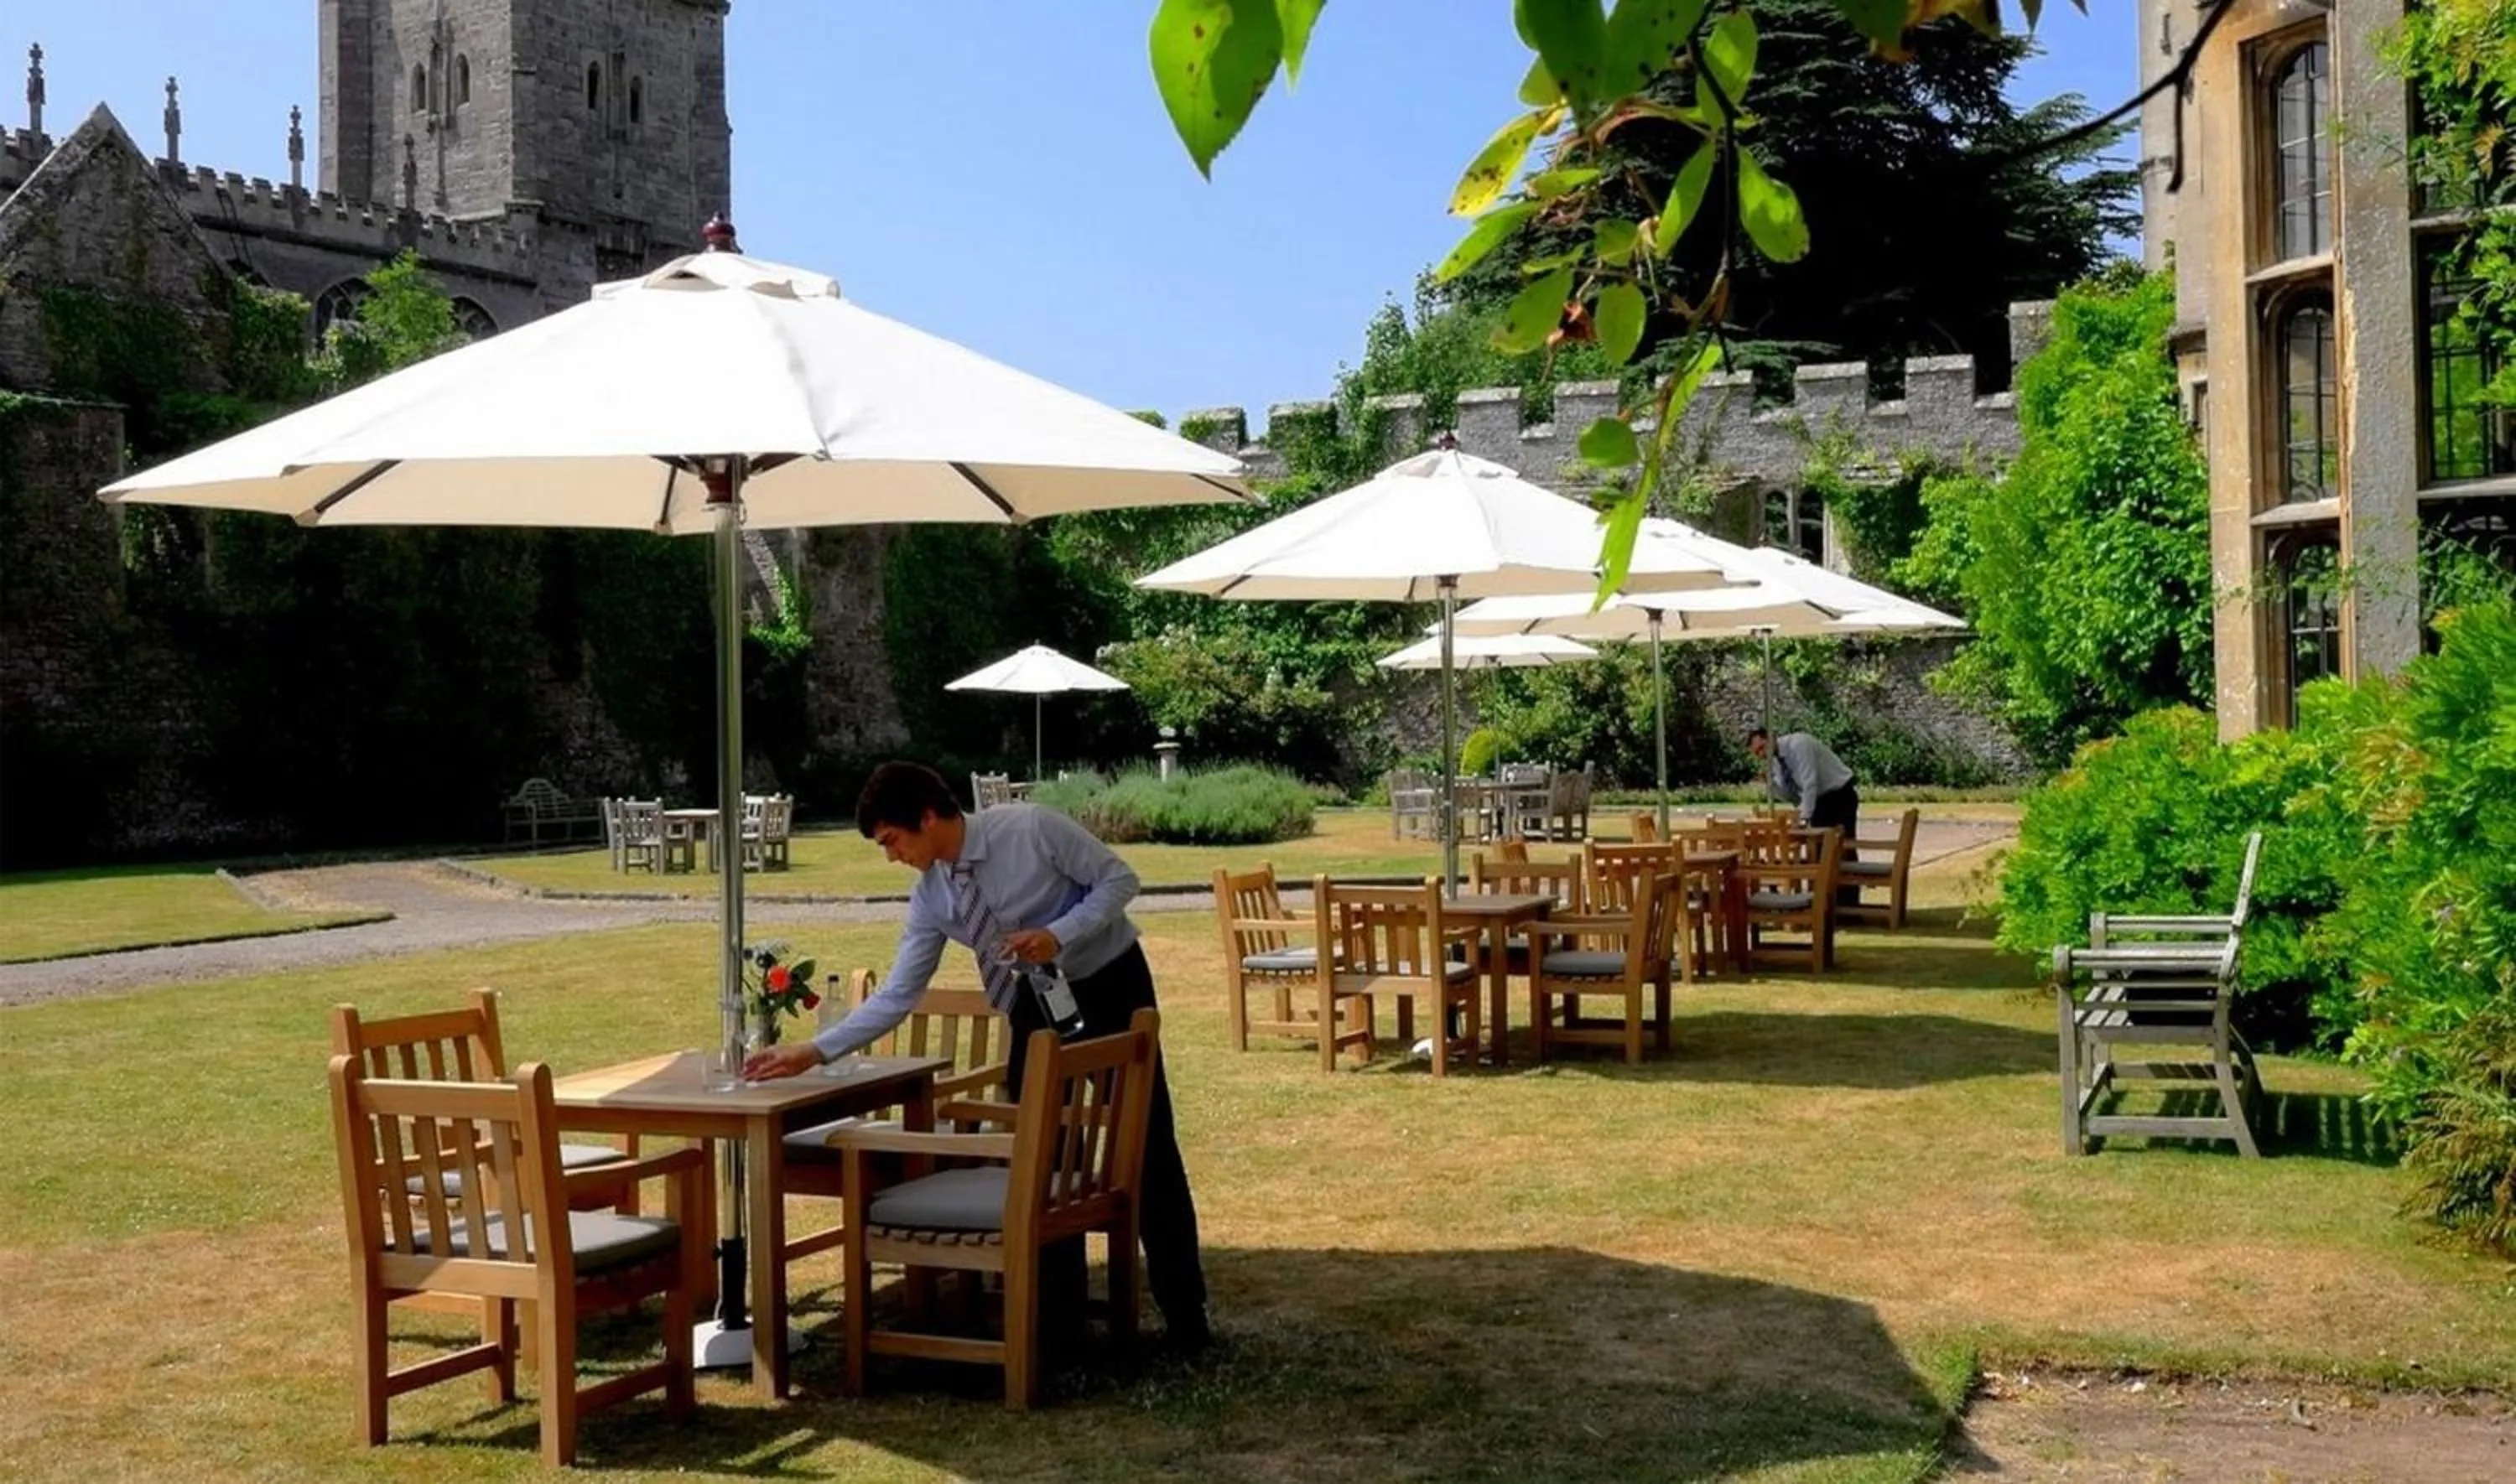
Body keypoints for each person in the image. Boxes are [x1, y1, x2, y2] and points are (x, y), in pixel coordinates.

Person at [742, 760, 1213, 1354]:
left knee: (1145, 1145)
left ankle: (1186, 1313)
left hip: (1108, 980)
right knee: (1042, 1155)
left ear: (929, 816)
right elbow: (898, 992)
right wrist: (813, 1050)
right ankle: (1056, 1321)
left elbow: (1120, 881)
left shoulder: (1033, 830)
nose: (891, 857)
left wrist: (1060, 933)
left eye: (893, 840)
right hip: (1032, 1001)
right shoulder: (933, 896)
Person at [1747, 727, 1860, 903]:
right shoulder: (1776, 761)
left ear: (1771, 738)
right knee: (1818, 853)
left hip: (1838, 795)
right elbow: (1791, 796)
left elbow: (1810, 784)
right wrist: (1771, 785)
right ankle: (1823, 902)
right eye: (1757, 753)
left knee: (1843, 849)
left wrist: (1804, 817)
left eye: (1762, 748)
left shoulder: (1799, 745)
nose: (1761, 755)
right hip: (1820, 802)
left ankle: (1849, 905)